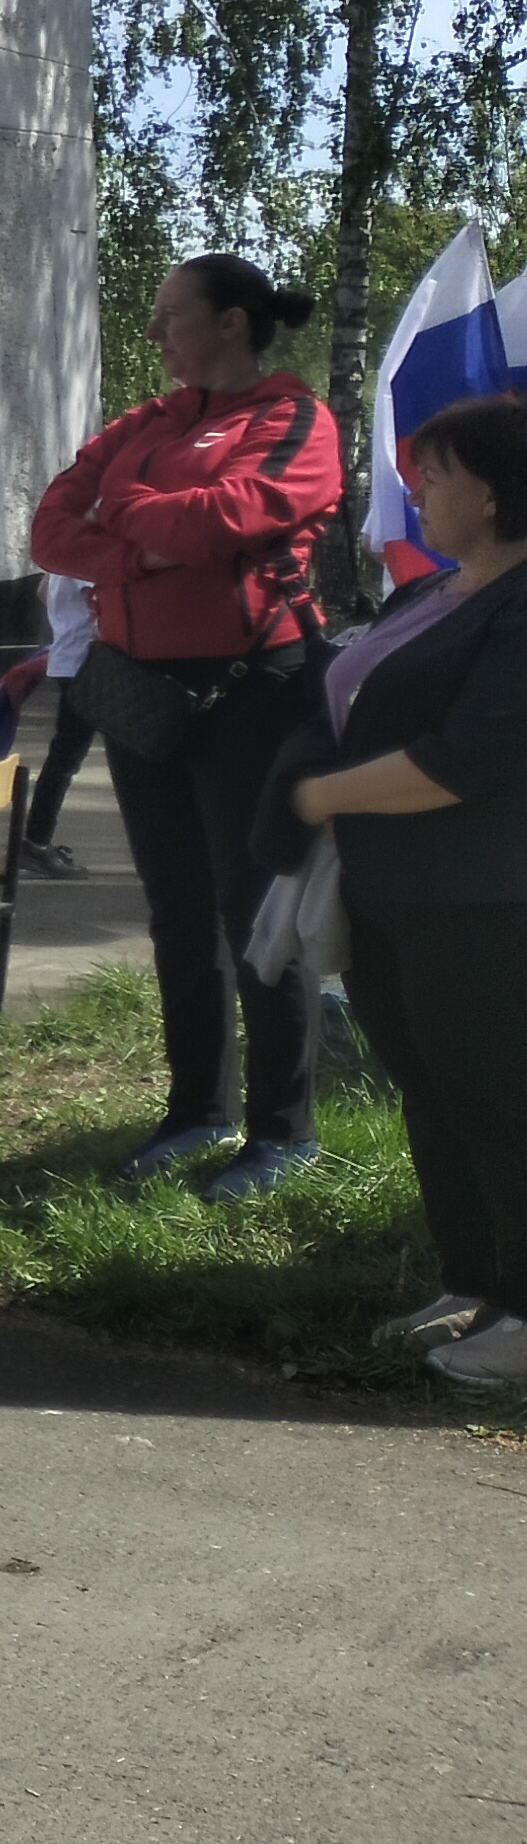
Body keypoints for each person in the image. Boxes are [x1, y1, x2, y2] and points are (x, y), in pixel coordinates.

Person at [28, 252, 342, 1198]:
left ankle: (283, 1131)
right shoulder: (143, 424)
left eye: (172, 316)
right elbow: (50, 528)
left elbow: (239, 513)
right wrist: (153, 543)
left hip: (253, 688)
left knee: (256, 908)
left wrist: (126, 521)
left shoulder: (293, 417)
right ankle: (196, 1110)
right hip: (143, 692)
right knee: (175, 907)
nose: (156, 332)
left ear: (233, 323)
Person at [270, 397, 527, 1385]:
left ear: (495, 490)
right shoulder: (434, 593)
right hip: (391, 894)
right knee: (432, 1092)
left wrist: (322, 793)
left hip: (483, 902)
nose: (416, 487)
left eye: (436, 473)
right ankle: (474, 1283)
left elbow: (470, 758)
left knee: (498, 1102)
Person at [15, 570, 98, 876]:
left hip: (70, 657)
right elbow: (103, 603)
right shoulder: (88, 552)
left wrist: (65, 620)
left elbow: (42, 590)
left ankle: (36, 841)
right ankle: (35, 843)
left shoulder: (65, 553)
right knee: (67, 757)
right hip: (89, 663)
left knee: (65, 754)